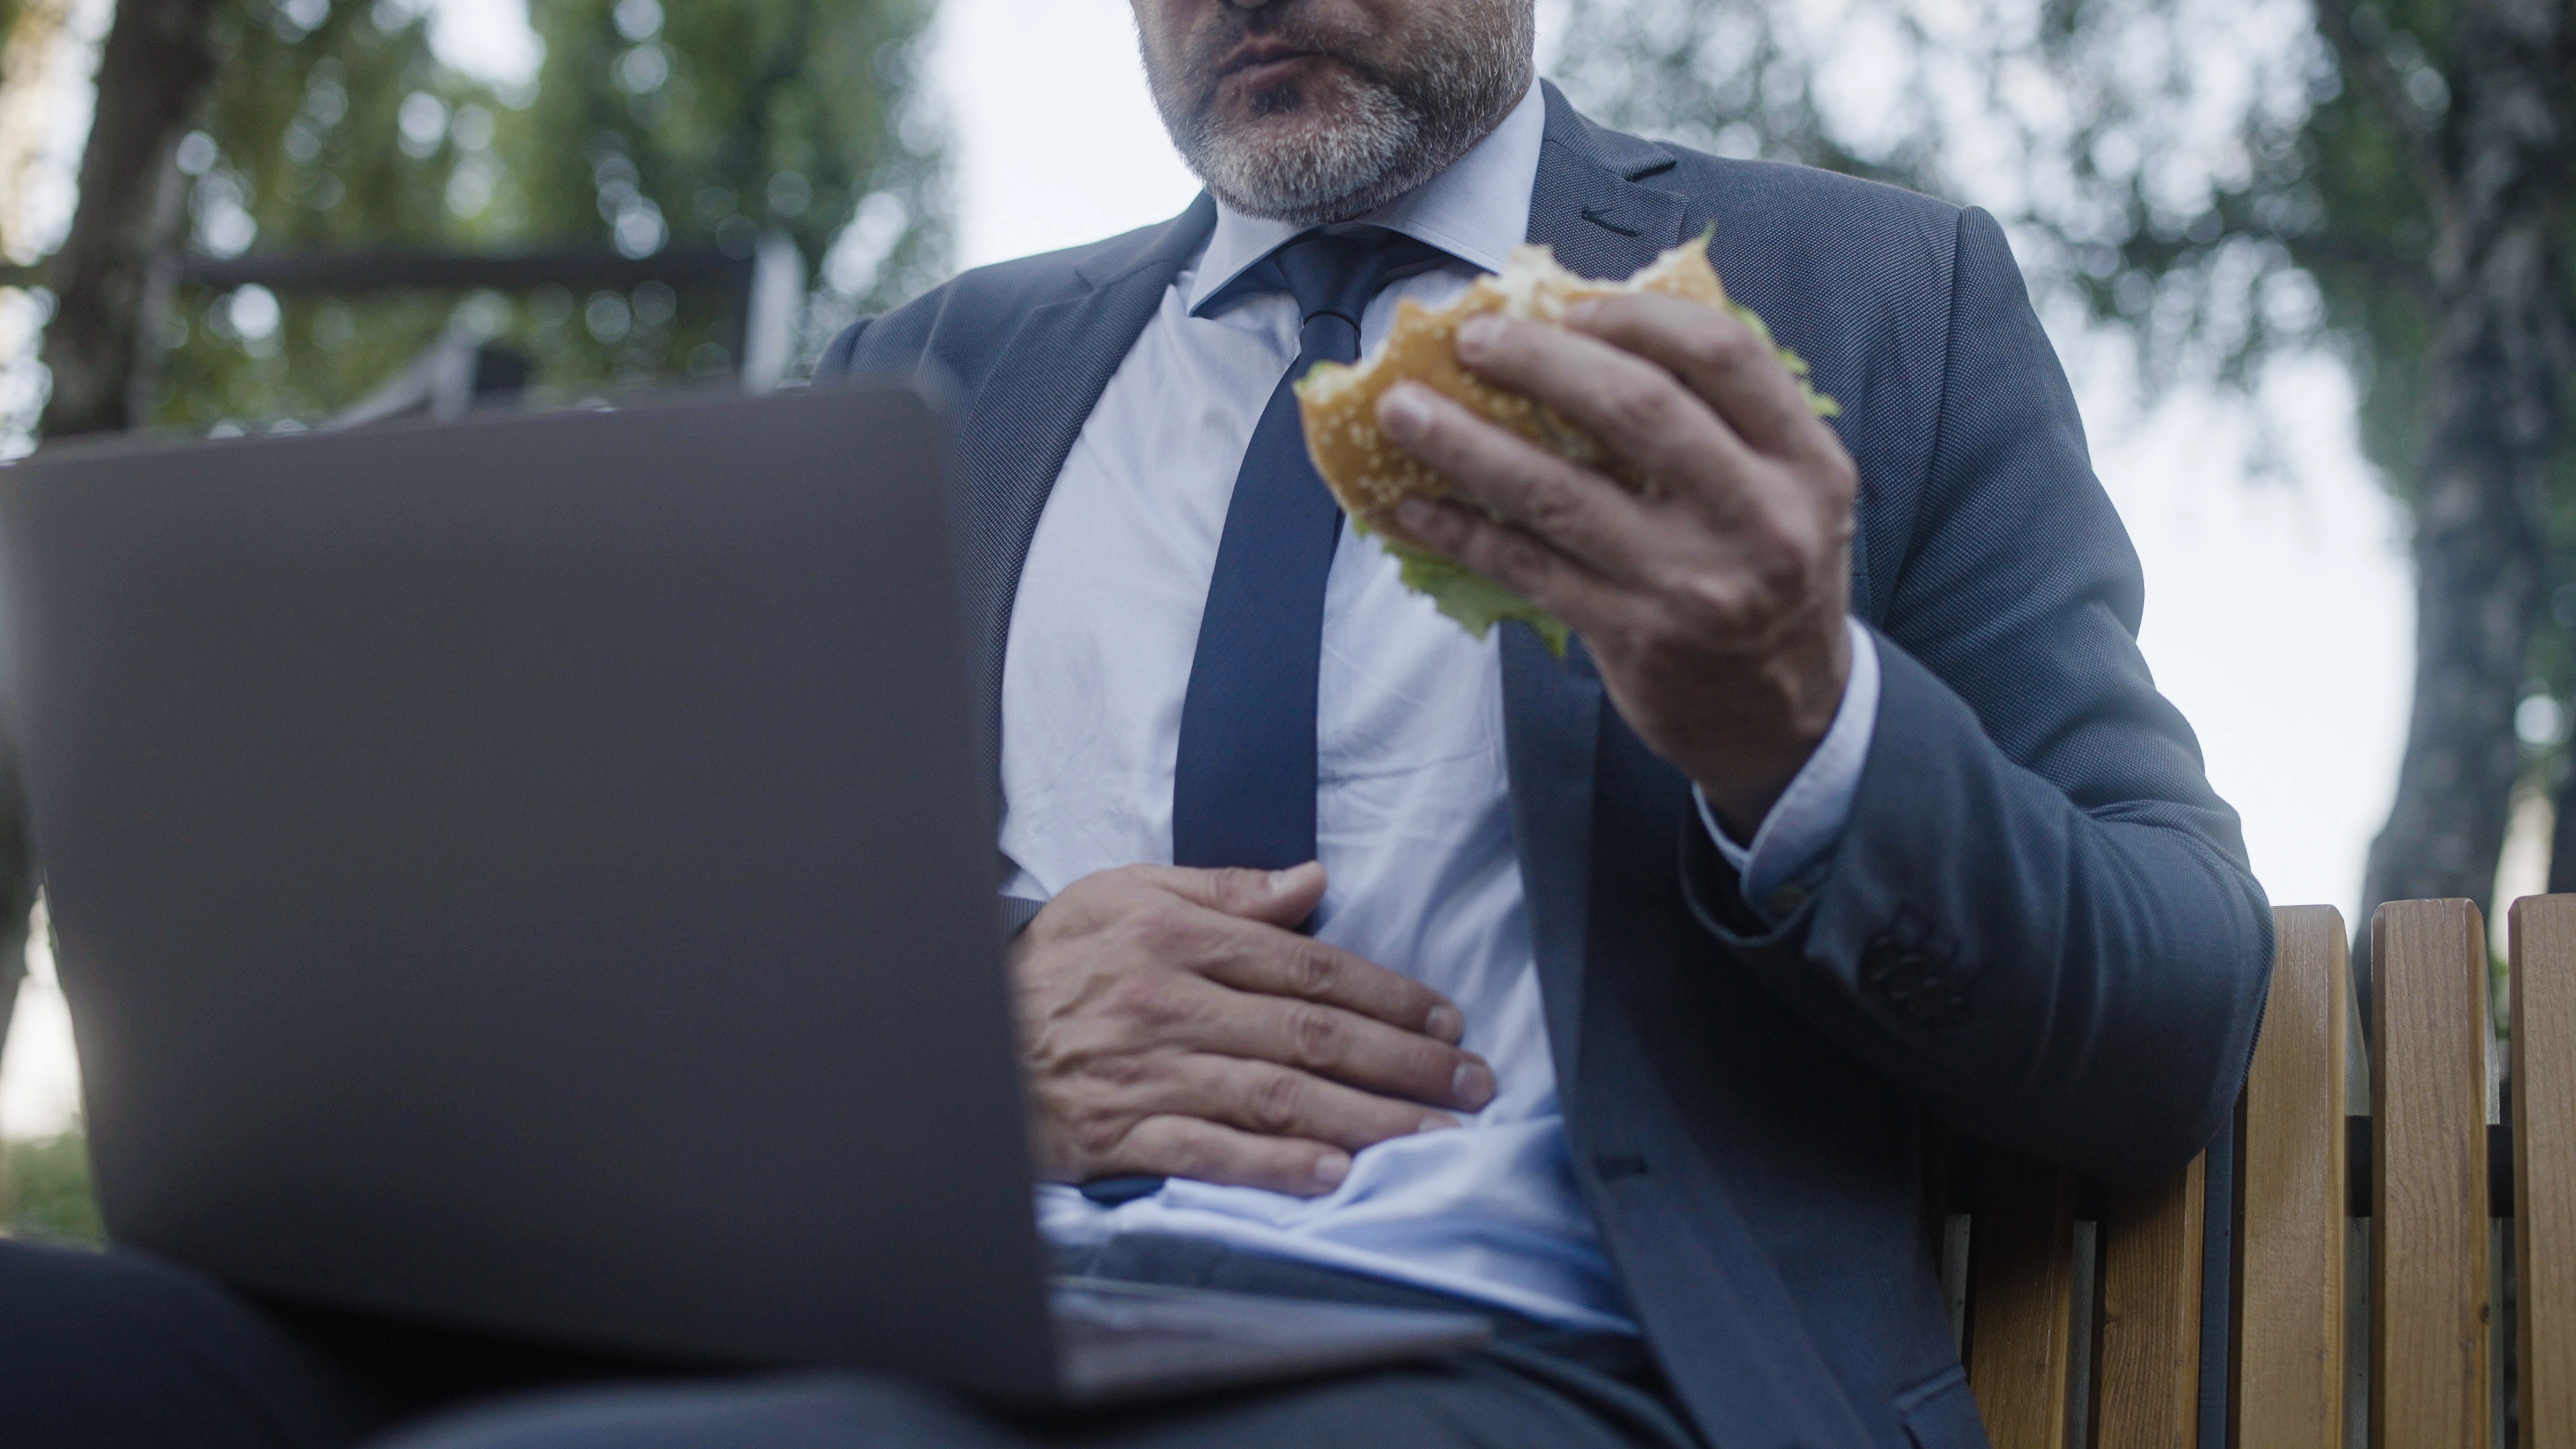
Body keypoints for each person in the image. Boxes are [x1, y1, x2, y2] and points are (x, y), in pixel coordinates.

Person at [0, 1, 2273, 1446]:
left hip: (1510, 1372)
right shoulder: (946, 369)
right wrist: (950, 1051)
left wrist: (1804, 725)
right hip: (887, 1332)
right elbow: (711, 986)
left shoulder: (1877, 294)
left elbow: (2166, 1014)